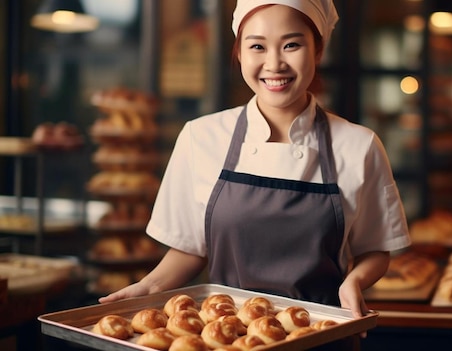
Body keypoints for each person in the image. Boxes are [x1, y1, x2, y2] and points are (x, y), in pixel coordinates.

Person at [99, 0, 410, 336]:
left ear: (317, 51)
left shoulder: (358, 145)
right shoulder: (200, 137)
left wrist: (355, 281)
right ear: (240, 54)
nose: (274, 64)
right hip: (226, 336)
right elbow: (190, 249)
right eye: (257, 46)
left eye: (292, 45)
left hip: (319, 335)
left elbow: (374, 249)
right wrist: (147, 287)